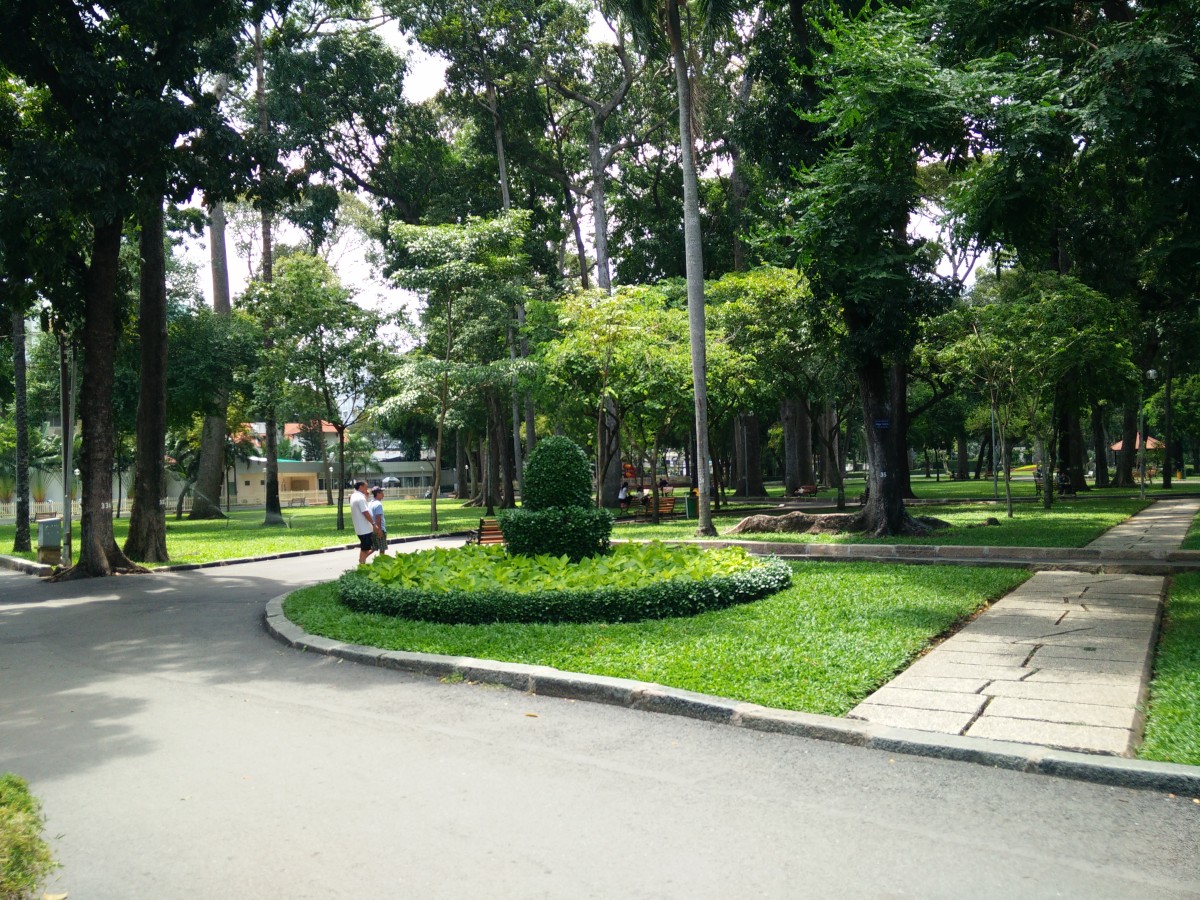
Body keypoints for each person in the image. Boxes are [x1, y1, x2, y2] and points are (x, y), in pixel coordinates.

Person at [349, 480, 380, 565]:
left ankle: (362, 563)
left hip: (360, 528)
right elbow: (365, 511)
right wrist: (373, 524)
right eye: (366, 487)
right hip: (365, 528)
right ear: (361, 487)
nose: (367, 489)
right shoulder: (360, 498)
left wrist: (366, 496)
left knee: (364, 548)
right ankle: (361, 563)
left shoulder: (354, 496)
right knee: (368, 548)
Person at [369, 486, 388, 556]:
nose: (383, 494)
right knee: (382, 548)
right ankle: (381, 560)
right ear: (377, 494)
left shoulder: (370, 503)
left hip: (372, 529)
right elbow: (378, 518)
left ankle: (363, 557)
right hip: (379, 529)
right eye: (381, 492)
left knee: (374, 547)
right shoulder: (378, 504)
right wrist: (379, 530)